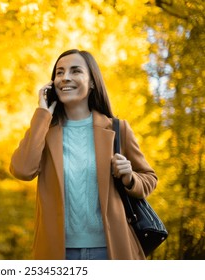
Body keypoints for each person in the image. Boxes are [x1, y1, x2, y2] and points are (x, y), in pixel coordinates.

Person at [9, 49, 157, 260]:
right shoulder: (44, 131)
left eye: (75, 71)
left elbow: (149, 179)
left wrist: (129, 177)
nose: (65, 77)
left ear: (92, 82)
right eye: (59, 72)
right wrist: (42, 114)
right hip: (57, 253)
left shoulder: (117, 128)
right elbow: (22, 170)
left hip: (111, 250)